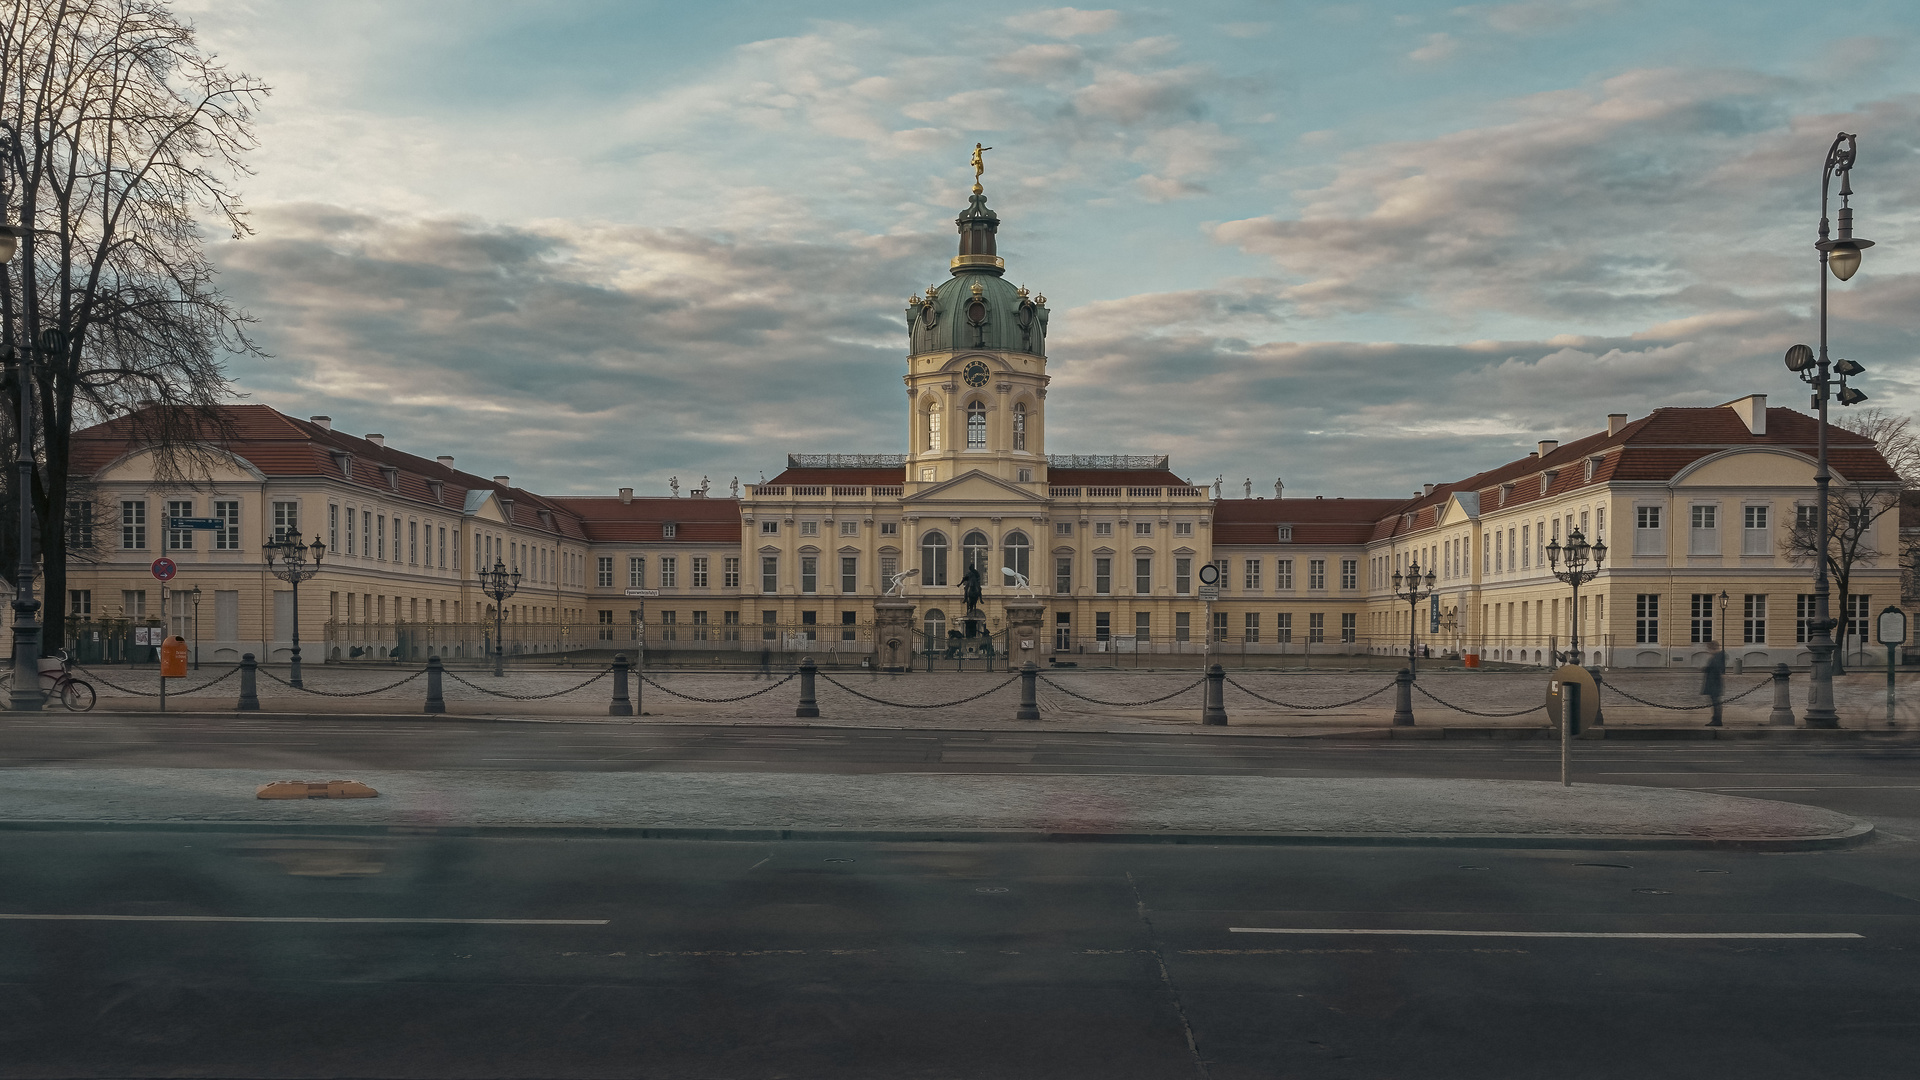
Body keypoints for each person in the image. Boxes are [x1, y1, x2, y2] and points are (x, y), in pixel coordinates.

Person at [1701, 640, 1727, 727]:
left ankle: (1717, 720)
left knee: (1716, 702)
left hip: (1714, 683)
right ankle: (1715, 719)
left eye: (1709, 649)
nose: (1708, 651)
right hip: (1714, 683)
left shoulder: (1717, 657)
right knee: (1715, 702)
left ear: (1713, 648)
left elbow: (1716, 669)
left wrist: (1706, 668)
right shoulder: (1717, 657)